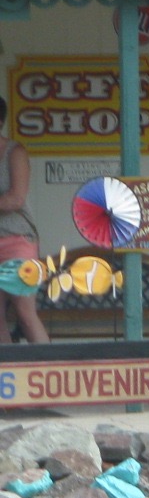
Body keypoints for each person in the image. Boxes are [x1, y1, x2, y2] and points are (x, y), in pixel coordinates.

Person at [0, 96, 49, 343]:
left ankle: (52, 373)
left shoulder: (13, 152)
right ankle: (6, 376)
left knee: (24, 312)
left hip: (17, 240)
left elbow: (15, 199)